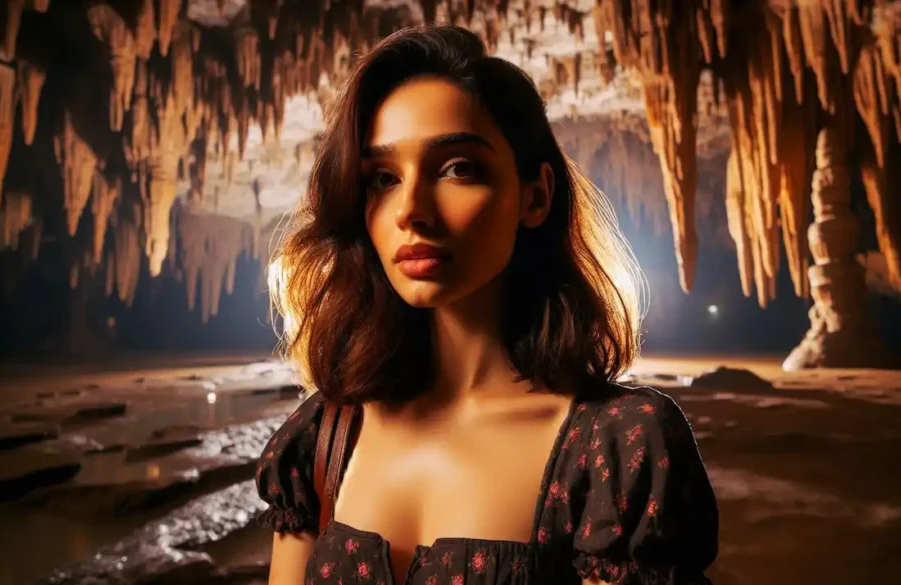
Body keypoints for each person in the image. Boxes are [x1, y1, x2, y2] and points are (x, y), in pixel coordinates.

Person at [256, 24, 718, 585]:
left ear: (535, 196)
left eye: (457, 168)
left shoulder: (612, 451)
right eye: (382, 178)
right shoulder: (323, 437)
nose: (411, 210)